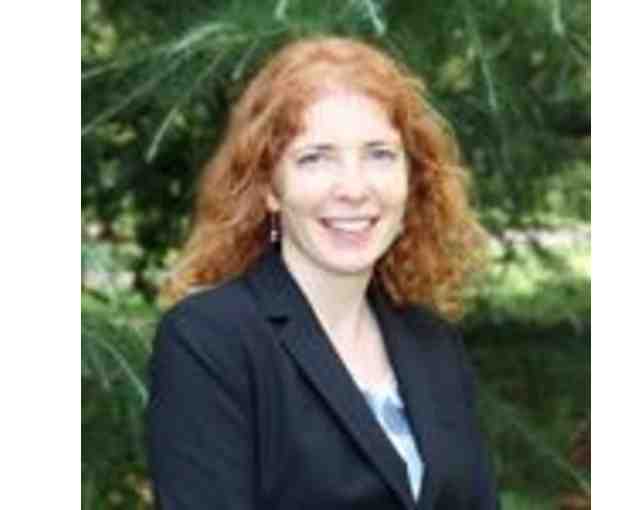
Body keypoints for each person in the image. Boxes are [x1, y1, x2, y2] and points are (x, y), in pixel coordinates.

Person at [147, 36, 498, 510]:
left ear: (411, 179)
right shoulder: (210, 341)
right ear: (269, 187)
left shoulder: (433, 342)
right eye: (315, 158)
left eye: (379, 154)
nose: (353, 188)